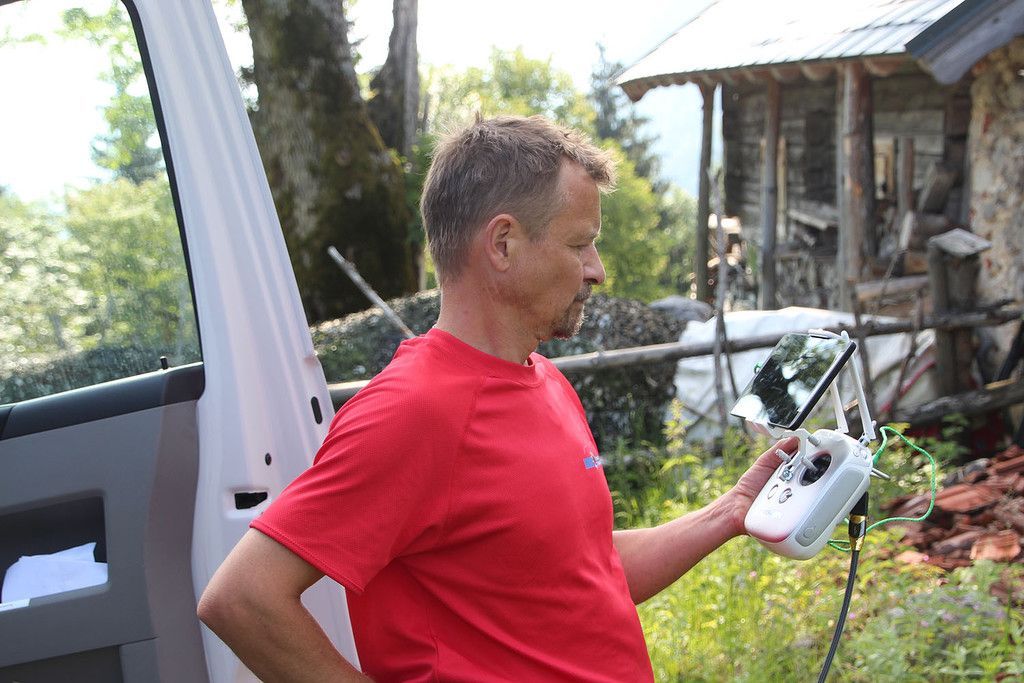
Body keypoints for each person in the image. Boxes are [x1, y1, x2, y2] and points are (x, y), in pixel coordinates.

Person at [198, 115, 796, 682]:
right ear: (503, 244)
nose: (597, 270)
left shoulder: (546, 381)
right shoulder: (412, 411)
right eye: (580, 244)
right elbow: (243, 598)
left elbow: (583, 574)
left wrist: (730, 511)